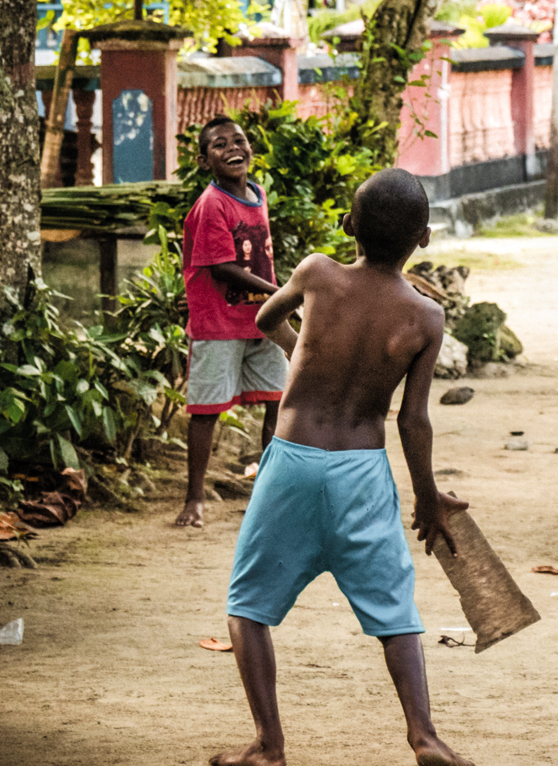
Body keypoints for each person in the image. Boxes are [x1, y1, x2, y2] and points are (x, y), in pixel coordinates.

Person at [211, 168, 473, 766]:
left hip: (292, 464)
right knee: (396, 615)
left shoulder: (317, 273)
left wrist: (300, 344)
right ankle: (424, 736)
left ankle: (268, 746)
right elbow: (413, 421)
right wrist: (428, 498)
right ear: (424, 238)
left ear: (349, 225)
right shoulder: (426, 317)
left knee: (248, 609)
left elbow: (262, 320)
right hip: (362, 470)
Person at [177, 116, 287, 528]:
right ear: (205, 161)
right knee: (206, 411)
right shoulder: (211, 205)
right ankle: (194, 499)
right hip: (218, 323)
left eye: (238, 140)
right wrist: (282, 293)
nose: (232, 148)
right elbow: (223, 267)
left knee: (278, 400)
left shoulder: (257, 193)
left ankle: (270, 493)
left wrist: (275, 300)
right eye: (220, 145)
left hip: (262, 320)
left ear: (251, 149)